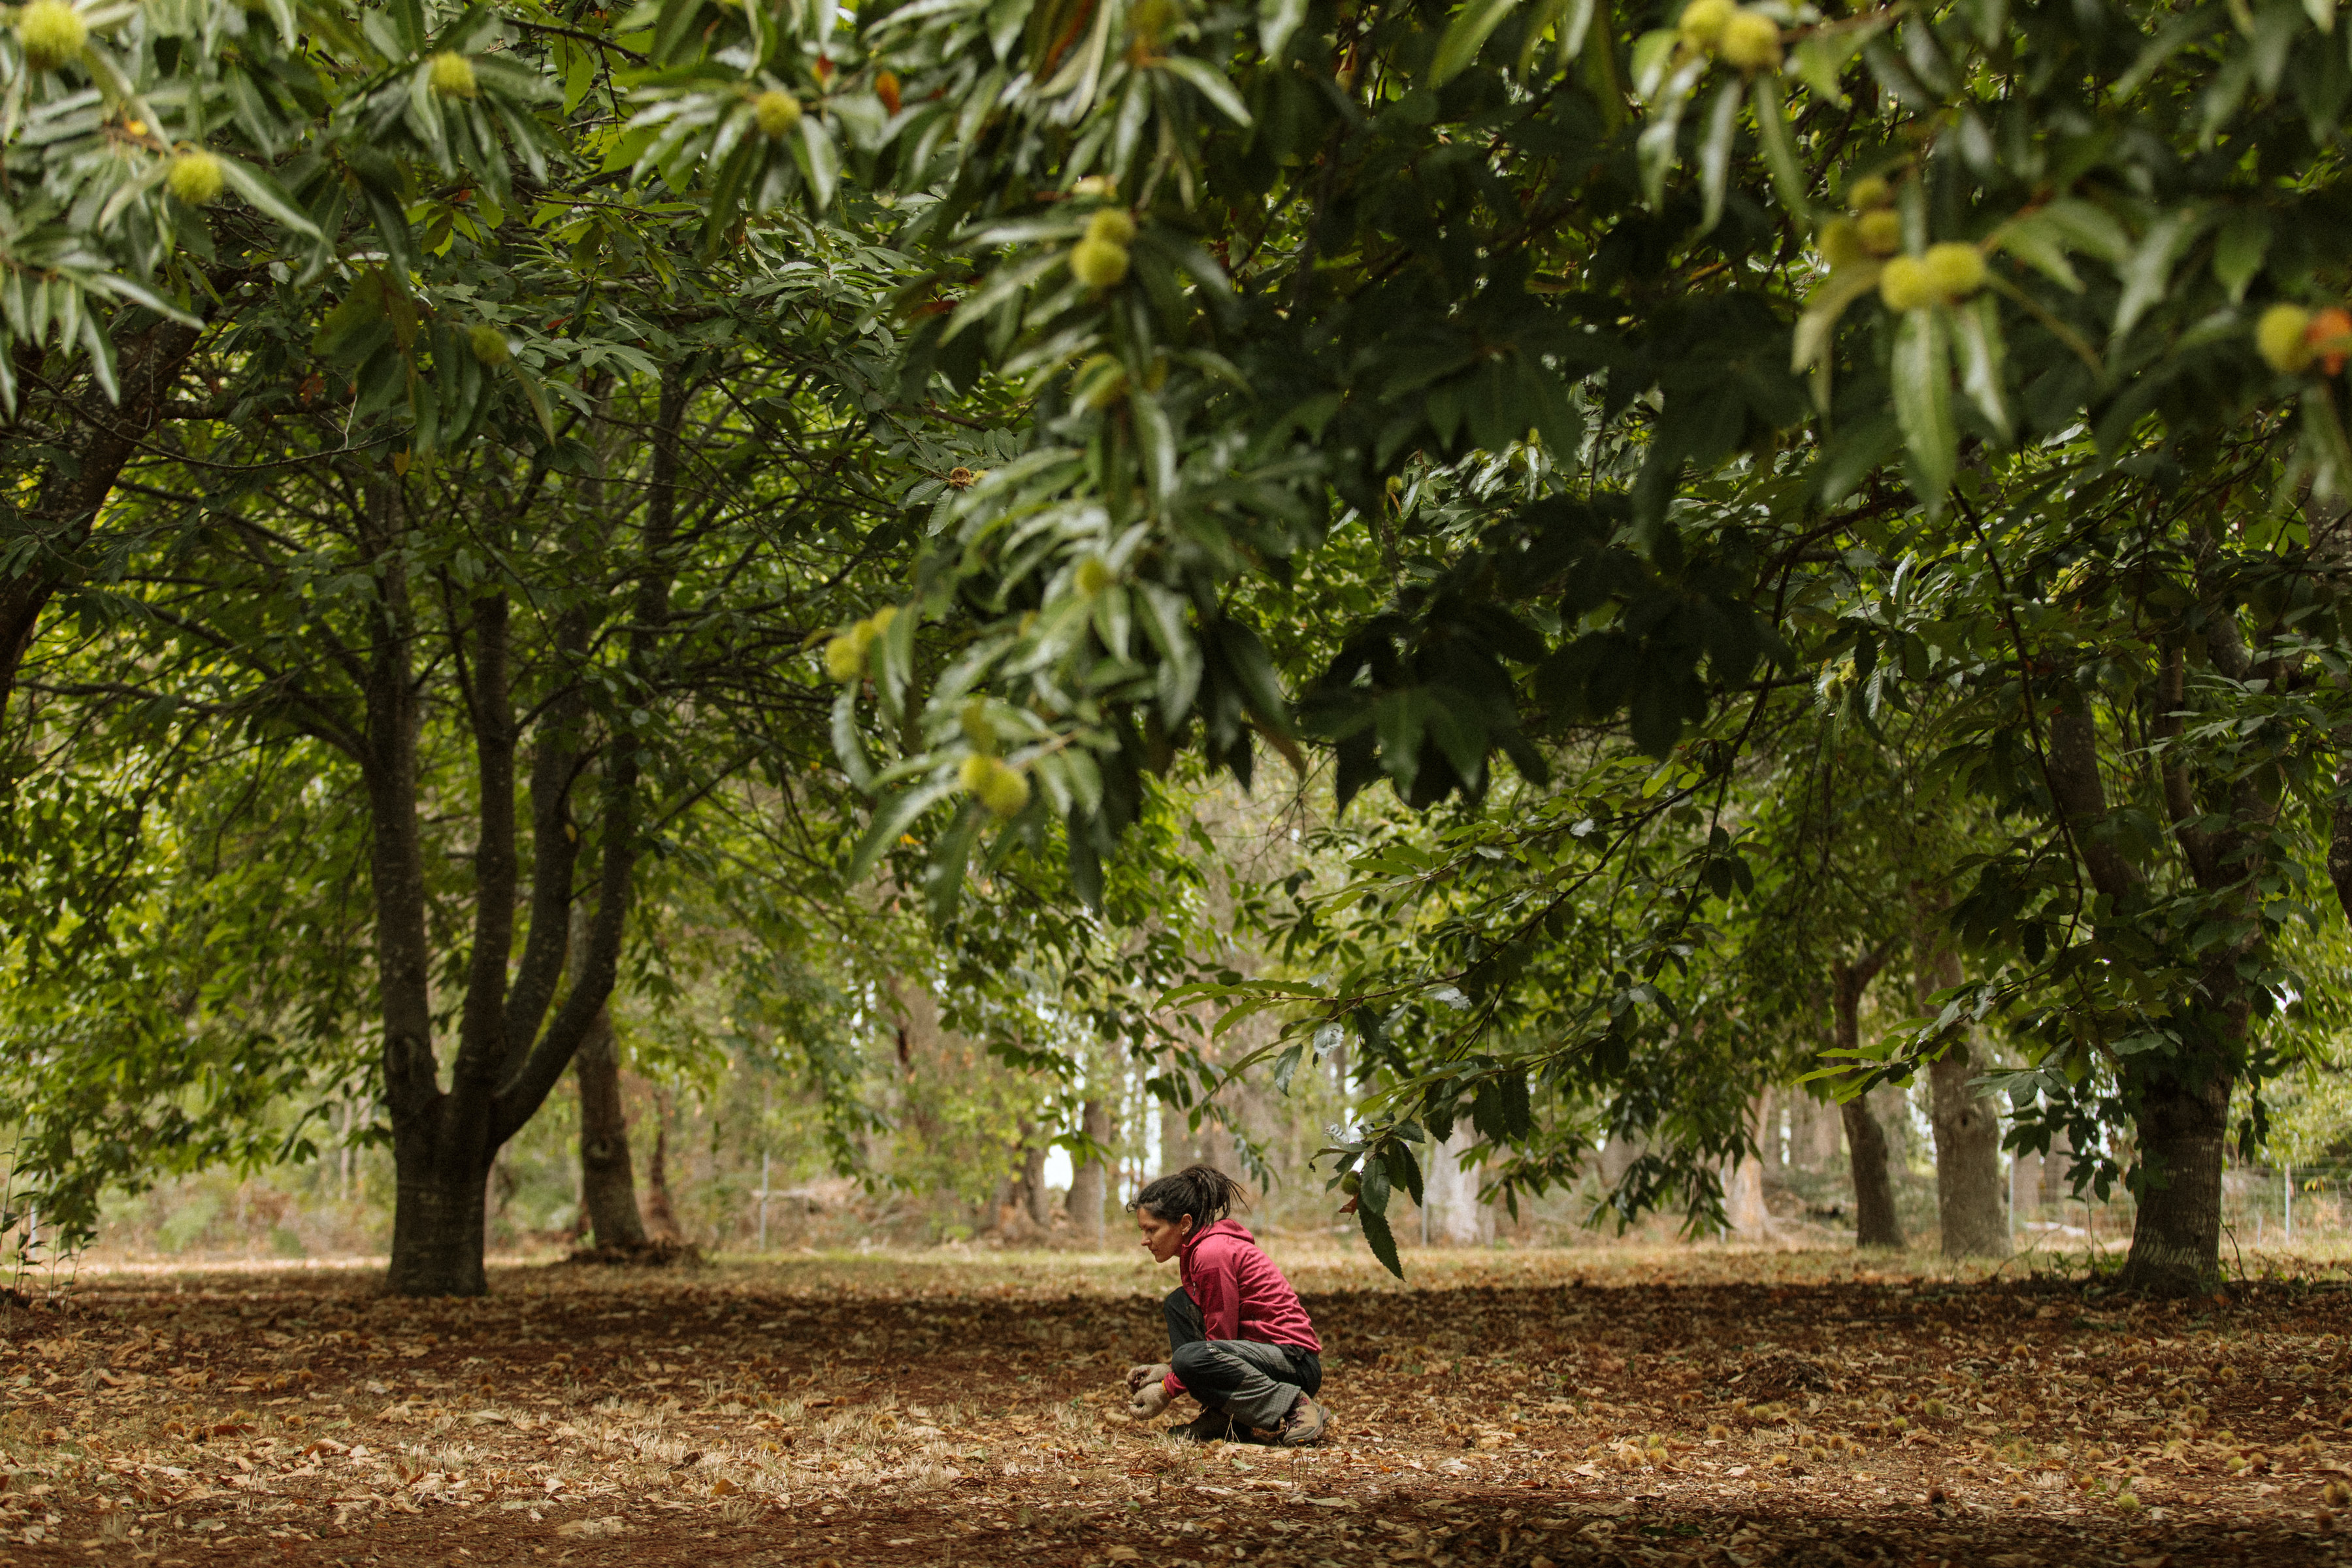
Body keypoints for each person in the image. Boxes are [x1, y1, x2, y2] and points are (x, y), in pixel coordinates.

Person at [1122, 1164, 1331, 1445]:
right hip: (1260, 1356)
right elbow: (1216, 1343)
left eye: (1152, 1230)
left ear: (1184, 1224)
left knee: (1190, 1357)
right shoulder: (1201, 1250)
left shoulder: (1211, 1253)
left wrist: (1166, 1388)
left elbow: (1218, 1342)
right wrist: (1169, 1371)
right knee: (1178, 1303)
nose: (1144, 1240)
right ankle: (1228, 1418)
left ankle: (1297, 1406)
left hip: (1295, 1363)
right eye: (1143, 1230)